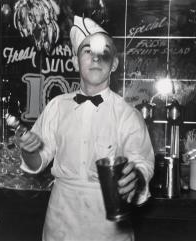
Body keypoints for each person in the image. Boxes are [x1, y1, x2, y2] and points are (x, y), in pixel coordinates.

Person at [17, 15, 155, 241]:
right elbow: (36, 162)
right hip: (60, 226)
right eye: (87, 51)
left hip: (108, 231)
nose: (96, 58)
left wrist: (136, 179)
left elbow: (141, 163)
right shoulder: (56, 107)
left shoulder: (128, 115)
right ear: (74, 61)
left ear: (115, 64)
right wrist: (28, 150)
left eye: (104, 52)